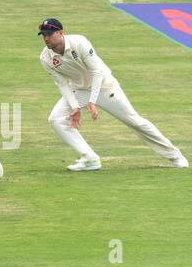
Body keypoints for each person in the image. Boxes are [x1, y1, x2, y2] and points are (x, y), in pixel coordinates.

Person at [38, 18, 189, 171]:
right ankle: (90, 158)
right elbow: (63, 84)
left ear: (60, 33)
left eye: (49, 34)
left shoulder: (79, 42)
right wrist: (75, 107)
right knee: (56, 119)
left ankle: (175, 155)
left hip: (105, 86)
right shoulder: (46, 58)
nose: (46, 38)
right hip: (80, 90)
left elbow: (96, 72)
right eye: (43, 35)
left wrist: (92, 100)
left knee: (135, 122)